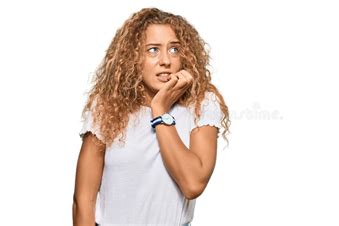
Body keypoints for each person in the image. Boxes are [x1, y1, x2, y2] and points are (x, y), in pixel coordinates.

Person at [72, 7, 230, 226]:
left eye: (174, 49)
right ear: (133, 58)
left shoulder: (202, 103)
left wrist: (160, 111)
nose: (165, 60)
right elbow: (83, 199)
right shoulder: (107, 106)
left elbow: (193, 184)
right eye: (153, 50)